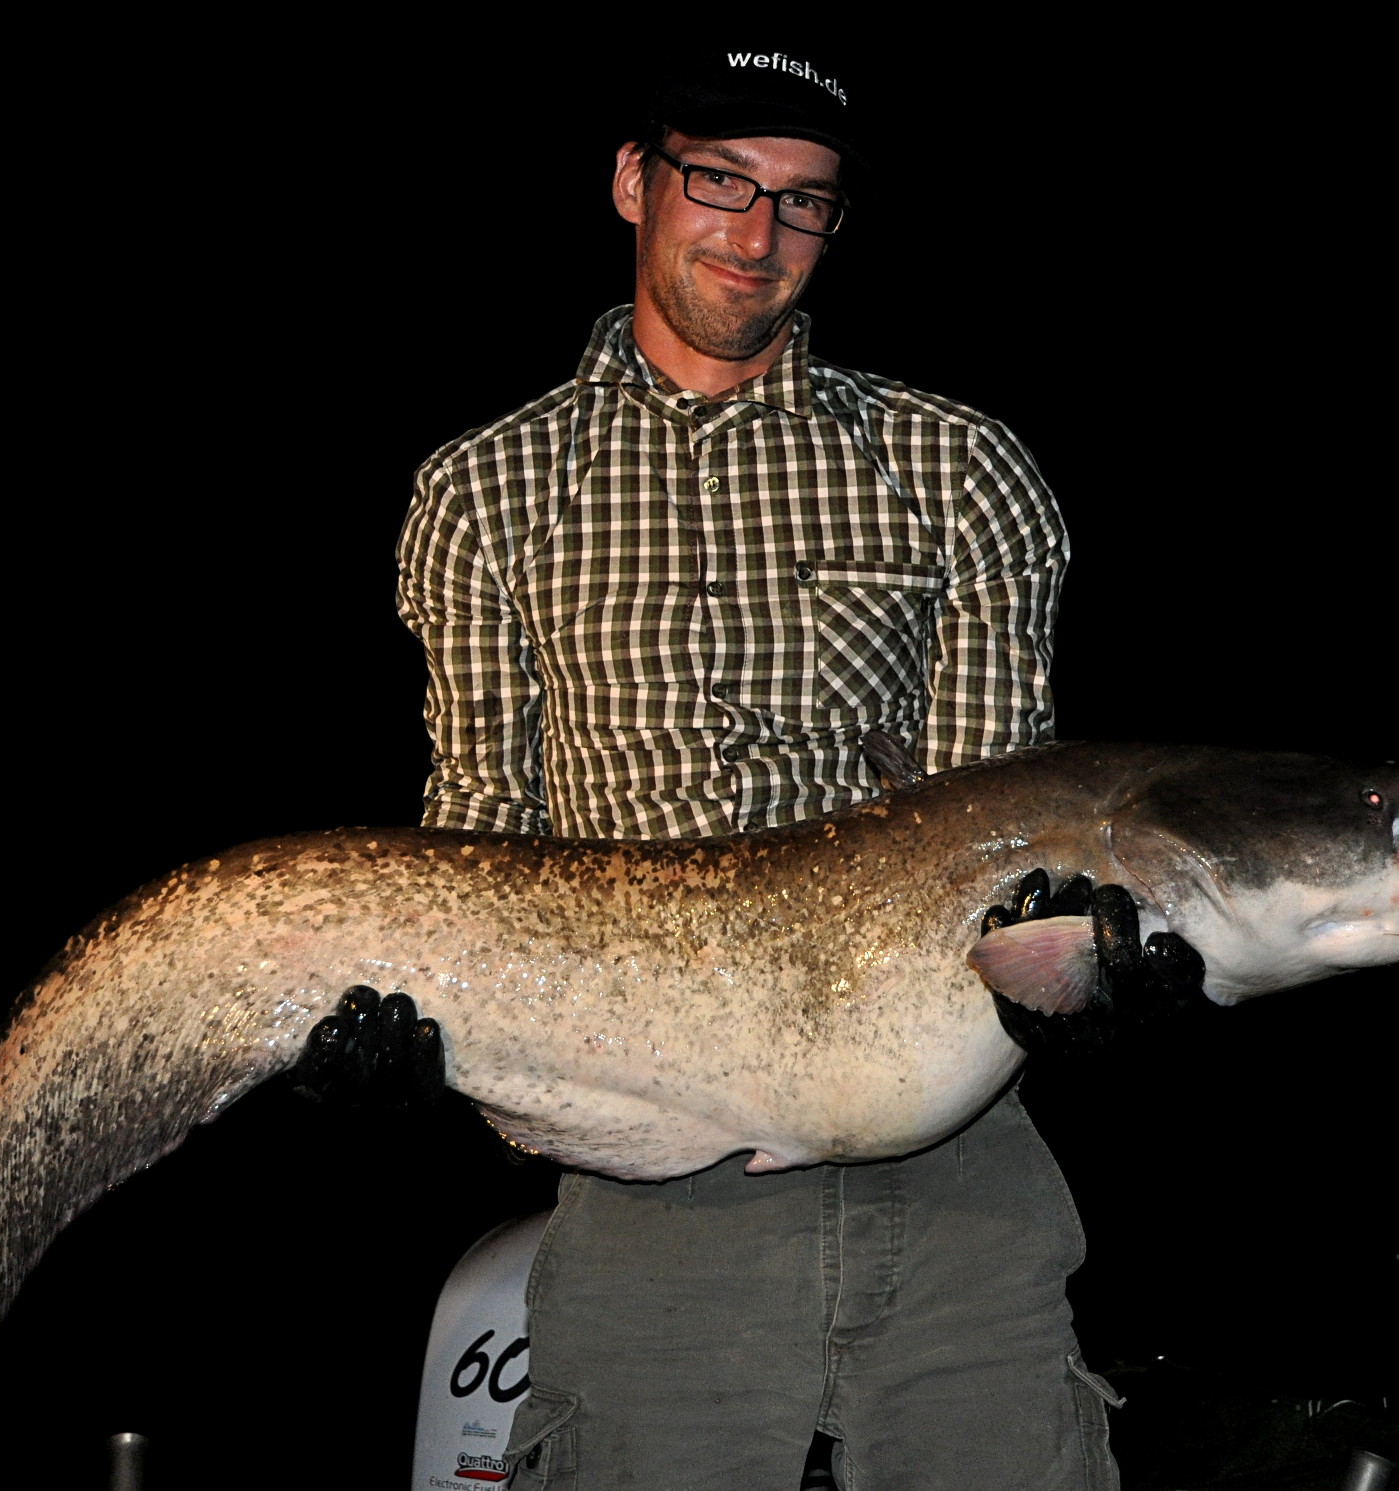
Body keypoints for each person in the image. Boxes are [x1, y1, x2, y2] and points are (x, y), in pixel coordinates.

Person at [397, 50, 1121, 1490]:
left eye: (803, 202)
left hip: (956, 1167)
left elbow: (1005, 835)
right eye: (718, 181)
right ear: (632, 182)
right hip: (653, 1181)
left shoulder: (959, 468)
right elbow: (477, 836)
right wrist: (413, 1033)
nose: (755, 234)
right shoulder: (483, 492)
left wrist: (1098, 968)